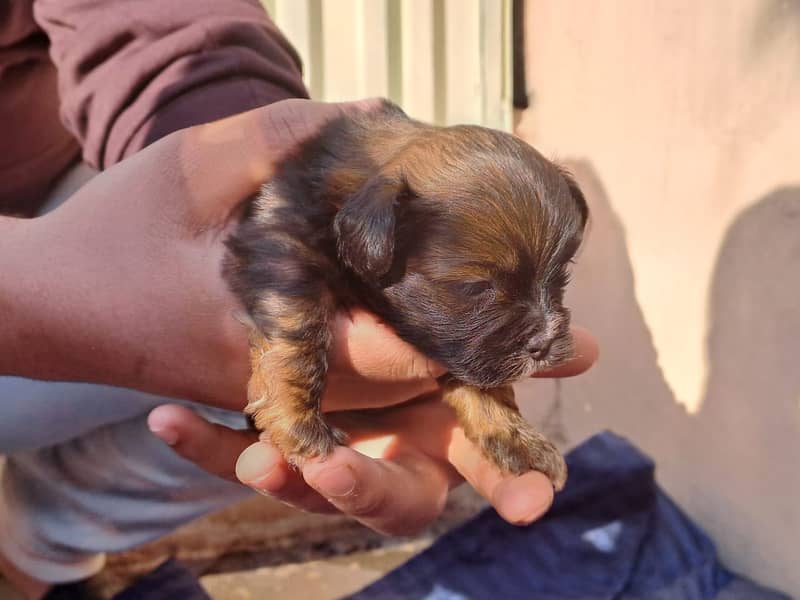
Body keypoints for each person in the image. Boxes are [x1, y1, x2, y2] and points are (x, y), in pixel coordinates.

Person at [0, 2, 598, 598]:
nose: (549, 327)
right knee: (261, 377)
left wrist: (222, 152)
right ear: (371, 235)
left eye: (555, 280)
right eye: (478, 288)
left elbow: (168, 29)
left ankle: (39, 547)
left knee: (255, 409)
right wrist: (42, 299)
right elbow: (279, 285)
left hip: (48, 172)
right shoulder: (335, 231)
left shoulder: (358, 198)